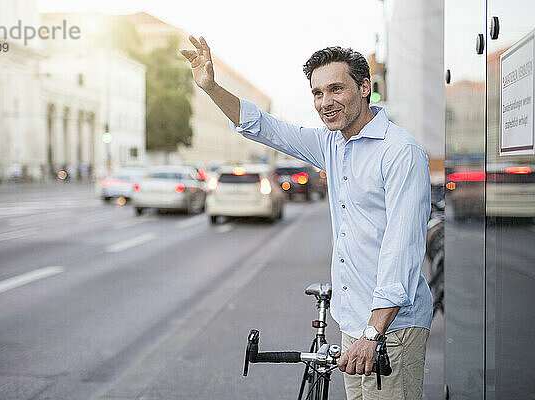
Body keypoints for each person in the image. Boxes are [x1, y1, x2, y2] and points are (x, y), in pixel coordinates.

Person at [180, 36, 432, 399]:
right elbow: (265, 126)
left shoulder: (400, 152)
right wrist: (211, 88)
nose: (325, 102)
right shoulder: (333, 143)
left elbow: (402, 251)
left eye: (336, 89)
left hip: (391, 329)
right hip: (354, 324)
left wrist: (372, 334)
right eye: (317, 93)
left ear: (364, 88)